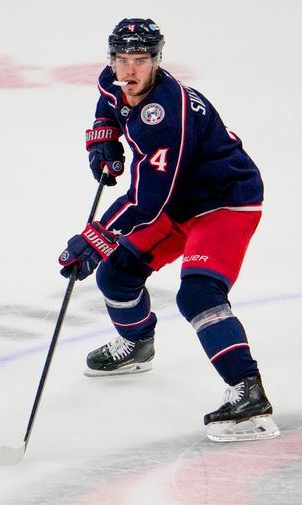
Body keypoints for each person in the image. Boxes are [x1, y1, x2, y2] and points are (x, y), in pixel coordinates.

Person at [58, 18, 278, 442]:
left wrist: (95, 237)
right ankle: (138, 344)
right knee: (117, 275)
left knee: (198, 294)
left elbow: (147, 202)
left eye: (140, 60)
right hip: (179, 200)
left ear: (157, 61)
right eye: (122, 59)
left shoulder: (165, 115)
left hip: (223, 201)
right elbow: (109, 104)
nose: (129, 71)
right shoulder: (115, 80)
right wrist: (103, 141)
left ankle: (248, 392)